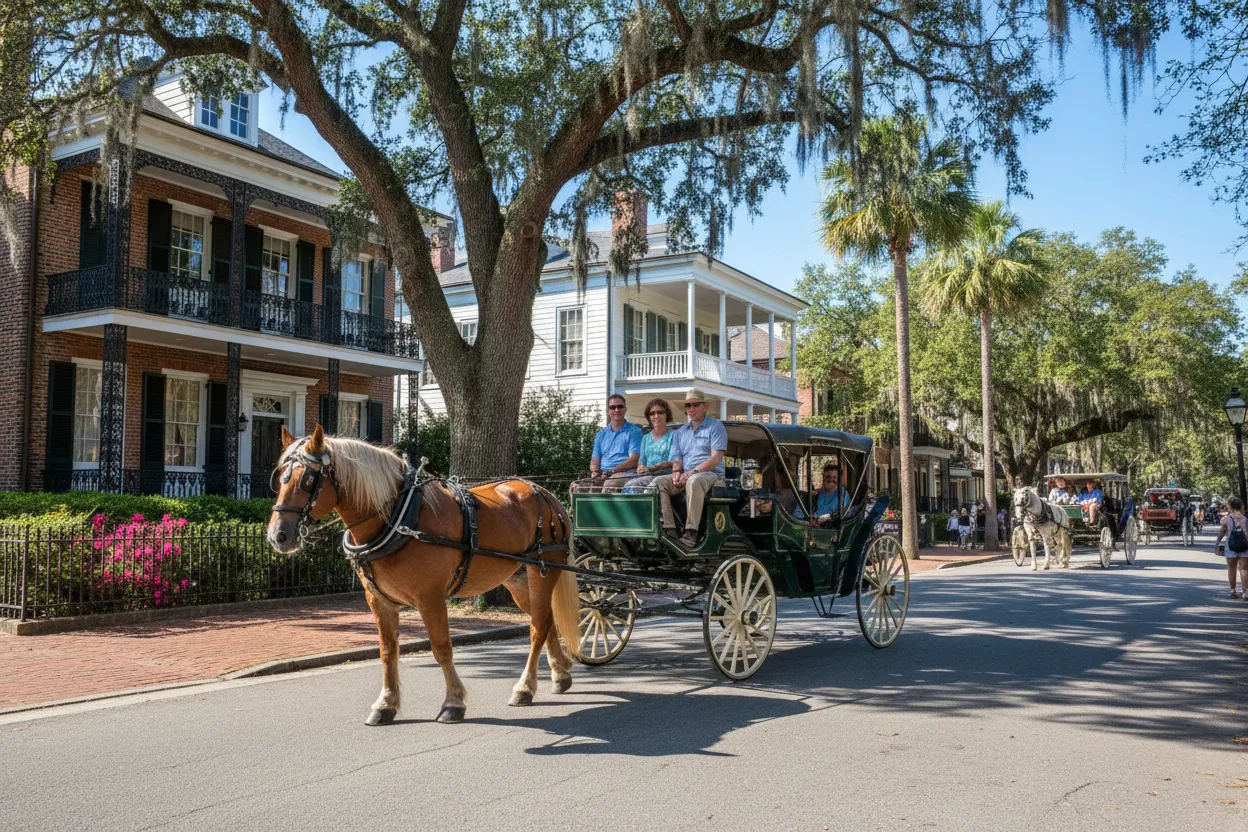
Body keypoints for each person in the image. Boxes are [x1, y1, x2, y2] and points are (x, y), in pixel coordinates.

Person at [653, 389, 728, 548]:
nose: (691, 409)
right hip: (687, 474)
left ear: (705, 406)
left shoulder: (716, 427)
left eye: (695, 405)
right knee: (657, 483)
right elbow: (677, 459)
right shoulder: (680, 432)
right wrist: (675, 473)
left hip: (712, 476)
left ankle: (691, 533)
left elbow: (716, 458)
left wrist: (693, 472)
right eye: (688, 405)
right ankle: (670, 530)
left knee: (694, 481)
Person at [589, 394, 642, 492]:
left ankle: (604, 508)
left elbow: (634, 460)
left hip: (626, 474)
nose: (617, 410)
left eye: (620, 406)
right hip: (603, 475)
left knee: (609, 484)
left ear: (625, 409)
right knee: (577, 487)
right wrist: (595, 472)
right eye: (612, 407)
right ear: (608, 411)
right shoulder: (601, 434)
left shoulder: (634, 431)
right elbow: (594, 461)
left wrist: (612, 471)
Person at [623, 398, 677, 492]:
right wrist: (641, 468)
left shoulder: (675, 435)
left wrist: (651, 468)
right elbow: (641, 462)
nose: (656, 416)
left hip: (666, 477)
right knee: (617, 483)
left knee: (633, 485)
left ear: (666, 414)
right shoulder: (645, 438)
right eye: (652, 413)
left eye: (660, 412)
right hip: (647, 476)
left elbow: (673, 462)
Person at [1214, 497, 1248, 599]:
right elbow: (1246, 533)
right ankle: (1245, 593)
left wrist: (1217, 543)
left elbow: (1222, 532)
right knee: (1244, 569)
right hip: (1244, 546)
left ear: (1230, 506)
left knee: (1231, 568)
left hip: (1230, 546)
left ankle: (1233, 591)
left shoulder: (1226, 519)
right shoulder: (1245, 519)